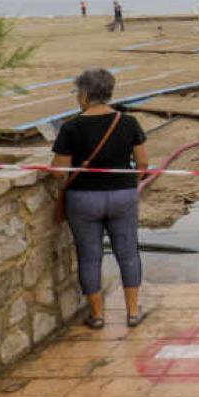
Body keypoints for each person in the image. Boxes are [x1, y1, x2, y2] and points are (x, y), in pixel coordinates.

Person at [51, 68, 149, 329]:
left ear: (84, 94)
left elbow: (59, 170)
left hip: (83, 199)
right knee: (128, 253)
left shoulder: (70, 127)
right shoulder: (128, 123)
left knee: (90, 256)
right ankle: (133, 312)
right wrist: (129, 184)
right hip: (122, 196)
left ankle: (97, 316)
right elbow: (143, 162)